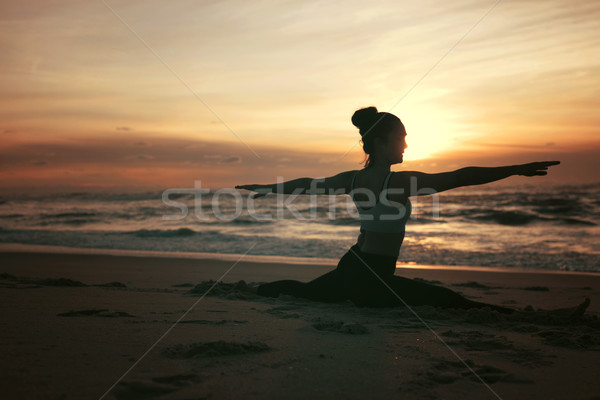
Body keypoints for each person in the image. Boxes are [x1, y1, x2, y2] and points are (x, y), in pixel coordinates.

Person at [235, 106, 561, 313]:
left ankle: (245, 289)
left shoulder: (353, 179)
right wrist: (515, 168)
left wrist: (269, 188)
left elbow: (307, 184)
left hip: (354, 266)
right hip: (371, 277)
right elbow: (463, 176)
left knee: (307, 292)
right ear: (381, 142)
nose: (405, 145)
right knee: (446, 301)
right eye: (401, 138)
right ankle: (524, 316)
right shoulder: (400, 183)